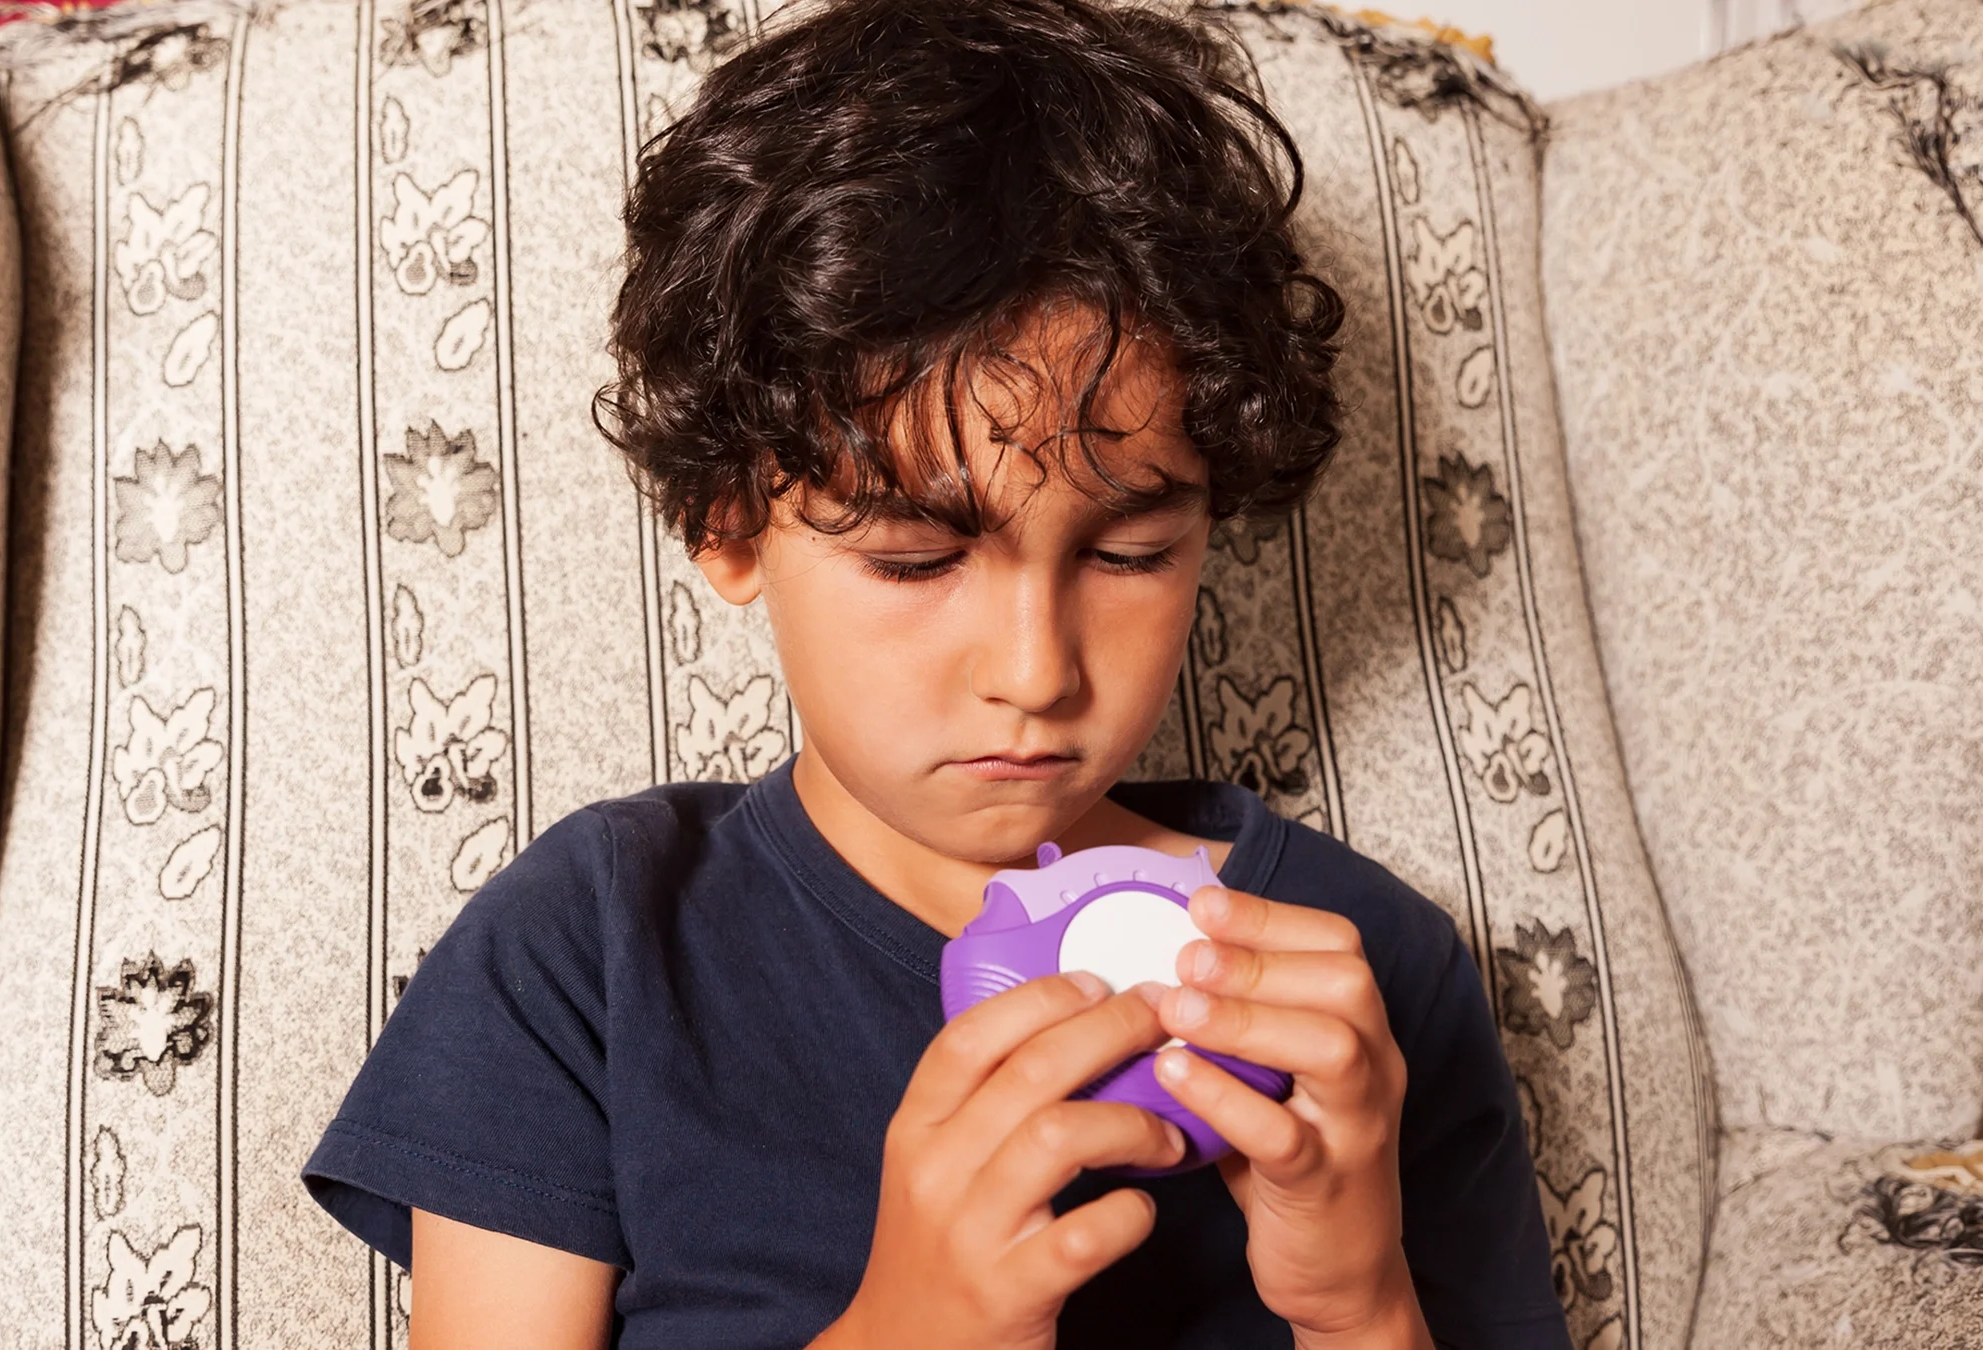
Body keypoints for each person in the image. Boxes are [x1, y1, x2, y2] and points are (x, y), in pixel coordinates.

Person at [303, 0, 1568, 1345]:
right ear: (728, 523)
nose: (1035, 671)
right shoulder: (596, 950)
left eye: (1131, 552)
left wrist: (1360, 1303)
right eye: (914, 561)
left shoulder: (1362, 974)